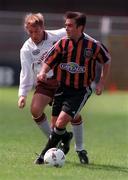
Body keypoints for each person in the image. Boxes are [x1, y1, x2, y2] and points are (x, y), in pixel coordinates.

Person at [36, 11, 111, 165]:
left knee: (61, 123)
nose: (66, 28)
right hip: (61, 88)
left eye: (70, 26)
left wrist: (102, 82)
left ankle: (44, 155)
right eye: (66, 25)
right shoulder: (62, 43)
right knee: (55, 127)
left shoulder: (93, 45)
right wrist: (43, 72)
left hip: (80, 90)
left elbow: (107, 60)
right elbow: (48, 60)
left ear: (80, 27)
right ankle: (68, 140)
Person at [18, 13, 92, 163]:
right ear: (27, 30)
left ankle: (80, 148)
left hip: (62, 81)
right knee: (35, 110)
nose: (34, 35)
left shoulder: (57, 35)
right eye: (30, 32)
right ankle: (59, 140)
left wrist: (93, 44)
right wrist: (22, 94)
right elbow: (25, 72)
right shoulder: (26, 49)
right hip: (45, 83)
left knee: (72, 116)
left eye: (36, 31)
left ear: (43, 28)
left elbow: (80, 35)